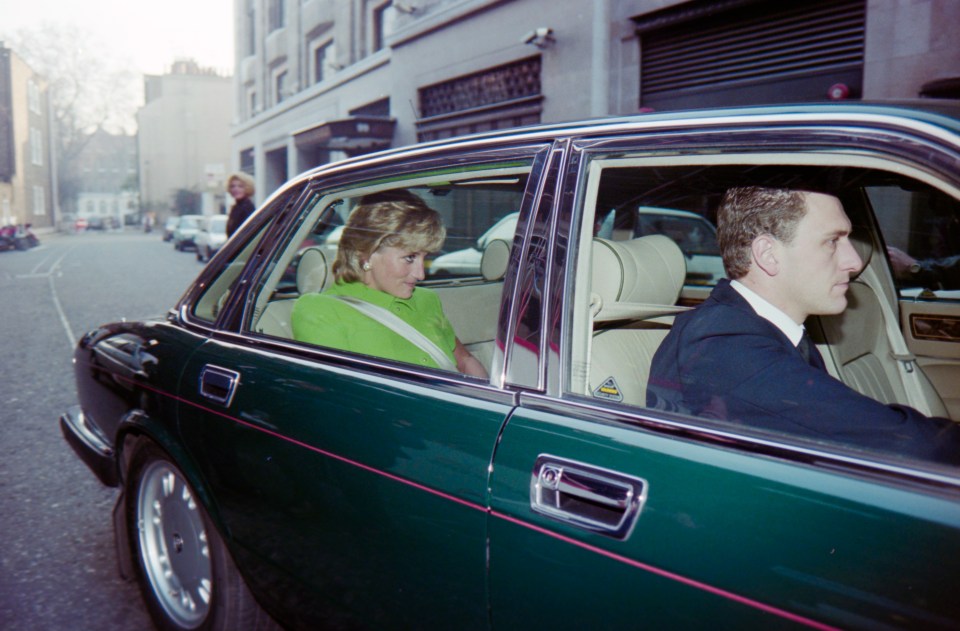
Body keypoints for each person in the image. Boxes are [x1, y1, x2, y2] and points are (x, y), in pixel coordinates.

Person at [647, 186, 960, 464]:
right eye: (832, 241)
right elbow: (918, 449)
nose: (853, 261)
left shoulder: (759, 326)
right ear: (768, 254)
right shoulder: (730, 352)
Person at [291, 199, 488, 378]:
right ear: (367, 255)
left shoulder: (427, 300)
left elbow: (464, 362)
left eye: (425, 257)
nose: (421, 274)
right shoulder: (319, 310)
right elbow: (341, 397)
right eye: (409, 257)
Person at [226, 172, 256, 237]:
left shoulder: (247, 208)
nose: (236, 189)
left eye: (240, 186)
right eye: (233, 186)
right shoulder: (235, 208)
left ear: (247, 188)